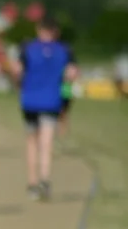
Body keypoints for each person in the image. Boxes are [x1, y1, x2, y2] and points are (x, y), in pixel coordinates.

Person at [9, 16, 78, 201]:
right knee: (46, 142)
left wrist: (19, 87)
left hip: (30, 100)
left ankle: (32, 182)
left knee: (32, 141)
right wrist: (66, 101)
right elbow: (71, 76)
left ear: (39, 30)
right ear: (56, 31)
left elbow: (16, 70)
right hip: (52, 100)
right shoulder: (65, 50)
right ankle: (44, 179)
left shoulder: (27, 48)